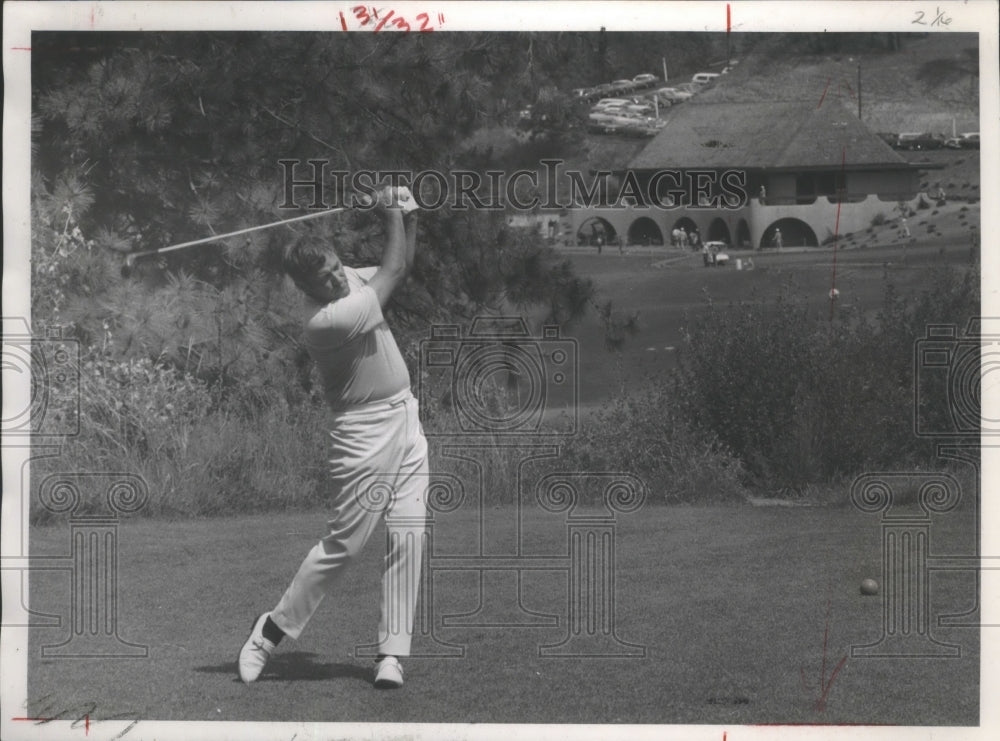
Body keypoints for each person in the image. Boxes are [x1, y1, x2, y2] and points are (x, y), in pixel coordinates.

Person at [238, 185, 426, 690]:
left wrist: (409, 213)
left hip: (406, 418)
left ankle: (391, 654)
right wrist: (390, 212)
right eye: (324, 278)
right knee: (345, 544)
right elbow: (393, 273)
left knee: (409, 533)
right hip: (363, 433)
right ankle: (270, 630)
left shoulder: (346, 285)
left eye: (337, 267)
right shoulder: (328, 319)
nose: (337, 278)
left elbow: (400, 266)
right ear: (306, 288)